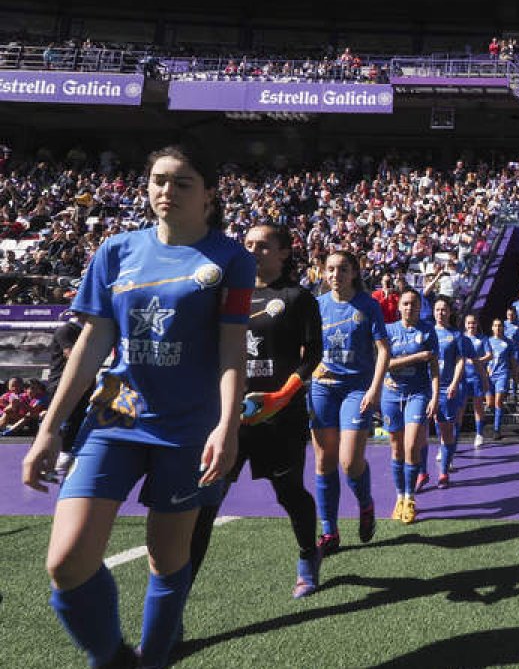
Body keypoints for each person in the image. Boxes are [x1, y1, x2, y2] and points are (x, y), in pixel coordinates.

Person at [21, 143, 254, 667]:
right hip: (115, 413)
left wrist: (226, 425)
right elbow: (91, 344)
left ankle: (152, 660)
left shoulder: (231, 260)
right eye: (157, 180)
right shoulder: (116, 251)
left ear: (209, 195)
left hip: (188, 427)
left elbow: (231, 349)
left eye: (181, 182)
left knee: (167, 558)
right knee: (66, 561)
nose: (165, 191)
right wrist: (48, 429)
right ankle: (113, 659)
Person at [189, 222, 323, 598]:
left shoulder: (298, 298)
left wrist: (282, 395)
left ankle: (308, 554)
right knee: (207, 501)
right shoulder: (226, 295)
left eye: (263, 246)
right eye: (247, 244)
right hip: (230, 418)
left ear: (283, 252)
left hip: (281, 417)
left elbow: (313, 355)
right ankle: (180, 590)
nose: (253, 251)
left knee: (288, 493)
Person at [309, 251, 390, 556]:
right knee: (323, 461)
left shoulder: (368, 306)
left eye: (342, 269)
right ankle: (329, 531)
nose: (335, 274)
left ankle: (365, 503)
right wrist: (309, 370)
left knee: (349, 461)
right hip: (323, 389)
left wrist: (374, 388)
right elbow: (307, 347)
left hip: (357, 389)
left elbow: (383, 350)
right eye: (330, 269)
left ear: (354, 272)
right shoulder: (316, 306)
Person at [382, 288, 438, 525]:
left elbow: (434, 367)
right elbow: (385, 364)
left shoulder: (428, 330)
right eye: (405, 304)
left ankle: (410, 498)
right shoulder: (388, 330)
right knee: (396, 449)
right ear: (399, 306)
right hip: (391, 395)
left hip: (418, 394)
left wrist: (435, 396)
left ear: (419, 306)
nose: (409, 308)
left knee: (412, 445)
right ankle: (399, 498)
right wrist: (417, 358)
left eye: (414, 304)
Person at [432, 296, 477, 487]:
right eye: (437, 310)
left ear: (449, 312)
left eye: (444, 309)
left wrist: (454, 383)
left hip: (447, 388)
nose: (440, 313)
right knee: (434, 424)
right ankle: (426, 469)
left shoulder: (456, 335)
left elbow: (460, 360)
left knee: (447, 427)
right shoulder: (427, 332)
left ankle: (444, 470)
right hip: (428, 387)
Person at [44, 312, 92, 477]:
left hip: (81, 383)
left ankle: (65, 458)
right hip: (63, 383)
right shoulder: (67, 330)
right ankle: (48, 461)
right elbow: (71, 355)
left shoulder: (85, 331)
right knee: (56, 423)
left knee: (76, 420)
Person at [459, 314, 492, 448]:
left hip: (477, 377)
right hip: (462, 377)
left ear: (477, 324)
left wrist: (476, 361)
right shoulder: (461, 338)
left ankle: (479, 434)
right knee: (460, 408)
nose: (471, 326)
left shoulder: (483, 339)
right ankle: (454, 437)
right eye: (468, 323)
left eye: (473, 323)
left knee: (478, 406)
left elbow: (490, 355)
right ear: (465, 324)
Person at [486, 317, 519, 441]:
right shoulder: (488, 341)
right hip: (490, 375)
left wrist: (515, 375)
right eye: (495, 325)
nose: (498, 327)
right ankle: (498, 416)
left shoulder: (509, 342)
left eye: (500, 325)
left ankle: (496, 429)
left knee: (498, 401)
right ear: (492, 328)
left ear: (503, 328)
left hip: (502, 374)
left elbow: (513, 361)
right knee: (490, 403)